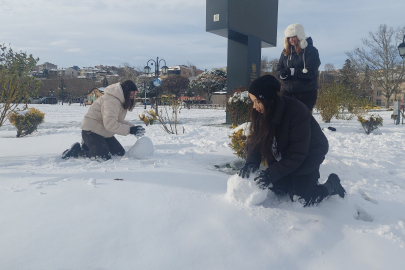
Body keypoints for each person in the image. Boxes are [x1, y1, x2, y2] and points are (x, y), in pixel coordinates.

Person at [239, 75, 345, 206]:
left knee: (302, 199)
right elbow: (256, 140)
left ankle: (332, 186)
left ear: (268, 99)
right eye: (252, 101)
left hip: (310, 153)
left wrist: (271, 174)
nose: (254, 106)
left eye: (257, 101)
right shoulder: (262, 113)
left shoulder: (296, 112)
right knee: (279, 189)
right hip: (288, 154)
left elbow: (297, 154)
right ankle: (302, 182)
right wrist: (251, 163)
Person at [62, 80, 145, 161]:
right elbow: (110, 125)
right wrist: (130, 130)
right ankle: (77, 152)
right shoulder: (112, 101)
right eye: (131, 94)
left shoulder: (119, 101)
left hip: (103, 132)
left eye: (134, 95)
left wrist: (133, 128)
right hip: (91, 131)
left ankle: (87, 145)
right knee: (103, 157)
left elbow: (118, 121)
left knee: (119, 153)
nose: (132, 97)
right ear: (125, 92)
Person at [276, 23, 321, 111]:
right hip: (288, 91)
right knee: (283, 116)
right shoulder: (286, 52)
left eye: (293, 36)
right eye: (288, 37)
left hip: (306, 92)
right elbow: (278, 68)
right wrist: (282, 74)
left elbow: (311, 72)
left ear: (299, 36)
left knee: (301, 119)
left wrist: (292, 71)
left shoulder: (311, 50)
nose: (290, 39)